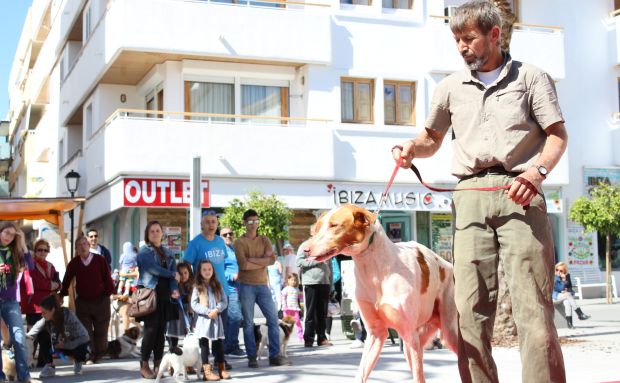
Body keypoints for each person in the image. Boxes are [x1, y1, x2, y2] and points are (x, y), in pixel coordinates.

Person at [392, 1, 569, 382]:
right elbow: (431, 138)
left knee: (534, 313)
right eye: (456, 39)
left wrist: (537, 174)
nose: (462, 46)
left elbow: (557, 136)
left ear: (494, 34)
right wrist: (411, 148)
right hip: (469, 195)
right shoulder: (450, 87)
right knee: (469, 312)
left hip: (521, 192)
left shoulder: (532, 78)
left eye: (469, 38)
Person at [234, 209, 290, 368]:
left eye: (256, 221)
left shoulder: (265, 239)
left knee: (273, 320)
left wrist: (253, 260)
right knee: (248, 323)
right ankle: (252, 357)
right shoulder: (239, 242)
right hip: (246, 286)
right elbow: (243, 265)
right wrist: (262, 260)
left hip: (263, 286)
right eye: (250, 221)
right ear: (245, 223)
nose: (253, 224)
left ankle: (274, 356)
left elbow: (272, 260)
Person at [183, 210, 232, 374]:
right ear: (202, 224)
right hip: (203, 292)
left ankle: (220, 361)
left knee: (220, 331)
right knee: (204, 333)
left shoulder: (220, 241)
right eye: (208, 222)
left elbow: (222, 265)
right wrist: (193, 287)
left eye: (213, 222)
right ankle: (204, 365)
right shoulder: (195, 243)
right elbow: (185, 265)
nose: (211, 225)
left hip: (221, 290)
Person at [136, 221, 180, 379]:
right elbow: (152, 269)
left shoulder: (168, 252)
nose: (155, 233)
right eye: (151, 231)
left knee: (161, 332)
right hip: (150, 295)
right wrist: (172, 275)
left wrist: (174, 289)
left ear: (162, 233)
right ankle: (144, 364)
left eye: (157, 231)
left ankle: (158, 364)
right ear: (147, 235)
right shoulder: (143, 251)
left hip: (165, 296)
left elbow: (174, 273)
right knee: (150, 330)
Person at [60, 236, 114, 365]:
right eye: (79, 245)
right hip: (83, 302)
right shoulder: (74, 263)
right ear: (76, 249)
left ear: (89, 246)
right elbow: (67, 280)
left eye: (85, 244)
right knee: (85, 331)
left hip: (101, 301)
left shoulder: (99, 260)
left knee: (101, 331)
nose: (82, 246)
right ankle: (89, 355)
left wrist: (107, 294)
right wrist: (61, 294)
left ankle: (99, 353)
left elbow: (107, 278)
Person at [20, 238, 60, 372]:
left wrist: (56, 284)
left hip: (48, 306)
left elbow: (57, 282)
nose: (43, 252)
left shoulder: (50, 265)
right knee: (32, 336)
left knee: (47, 335)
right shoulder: (30, 264)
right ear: (35, 251)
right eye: (39, 250)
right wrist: (50, 285)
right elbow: (35, 282)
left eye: (45, 250)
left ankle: (45, 362)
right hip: (34, 306)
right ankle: (27, 361)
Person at [0, 222, 33, 382]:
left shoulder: (15, 252)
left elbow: (30, 266)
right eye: (6, 233)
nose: (8, 237)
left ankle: (24, 376)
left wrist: (22, 242)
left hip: (11, 301)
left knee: (19, 338)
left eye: (12, 235)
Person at [27, 294, 90, 377]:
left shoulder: (69, 316)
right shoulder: (46, 319)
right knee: (41, 334)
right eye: (41, 312)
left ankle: (78, 361)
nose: (42, 315)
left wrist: (66, 345)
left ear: (52, 310)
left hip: (75, 347)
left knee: (82, 351)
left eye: (44, 312)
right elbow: (31, 333)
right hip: (59, 349)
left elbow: (85, 337)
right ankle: (50, 366)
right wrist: (23, 339)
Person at [191, 259, 230, 380]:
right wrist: (207, 311)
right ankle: (206, 372)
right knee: (204, 346)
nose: (207, 271)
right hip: (204, 320)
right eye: (204, 269)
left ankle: (221, 369)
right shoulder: (197, 286)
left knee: (219, 344)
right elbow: (194, 304)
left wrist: (217, 310)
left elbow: (224, 301)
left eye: (209, 269)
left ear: (213, 270)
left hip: (216, 320)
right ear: (200, 271)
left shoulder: (218, 285)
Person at [296, 238, 332, 348]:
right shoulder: (306, 245)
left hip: (324, 282)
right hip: (310, 282)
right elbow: (299, 262)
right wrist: (317, 261)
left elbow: (330, 266)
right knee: (310, 312)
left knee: (323, 312)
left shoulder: (326, 244)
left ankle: (322, 338)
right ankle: (308, 339)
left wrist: (331, 284)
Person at [220, 227, 245, 359]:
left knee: (231, 318)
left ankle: (227, 346)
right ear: (220, 237)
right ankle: (232, 347)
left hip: (239, 287)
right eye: (225, 234)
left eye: (230, 233)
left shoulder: (234, 249)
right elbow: (217, 270)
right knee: (235, 318)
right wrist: (231, 276)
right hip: (228, 288)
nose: (229, 236)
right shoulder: (220, 250)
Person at [553, 262, 591, 329]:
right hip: (554, 297)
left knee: (567, 302)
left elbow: (570, 287)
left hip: (562, 296)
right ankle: (580, 314)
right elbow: (559, 288)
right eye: (557, 269)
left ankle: (570, 324)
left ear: (564, 271)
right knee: (567, 295)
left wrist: (566, 290)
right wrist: (564, 280)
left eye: (561, 271)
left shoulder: (567, 276)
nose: (558, 272)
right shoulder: (554, 277)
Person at [166, 261, 194, 353]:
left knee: (188, 333)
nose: (184, 276)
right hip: (176, 312)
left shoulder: (192, 285)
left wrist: (191, 311)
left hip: (186, 312)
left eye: (186, 273)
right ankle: (172, 348)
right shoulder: (175, 285)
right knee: (174, 332)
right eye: (181, 274)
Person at [280, 273, 304, 342]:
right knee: (285, 323)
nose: (293, 282)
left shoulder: (297, 289)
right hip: (287, 309)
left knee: (298, 322)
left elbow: (300, 297)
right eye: (292, 280)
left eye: (295, 280)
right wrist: (284, 306)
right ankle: (284, 335)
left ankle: (301, 336)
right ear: (288, 280)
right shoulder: (286, 289)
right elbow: (283, 297)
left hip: (295, 309)